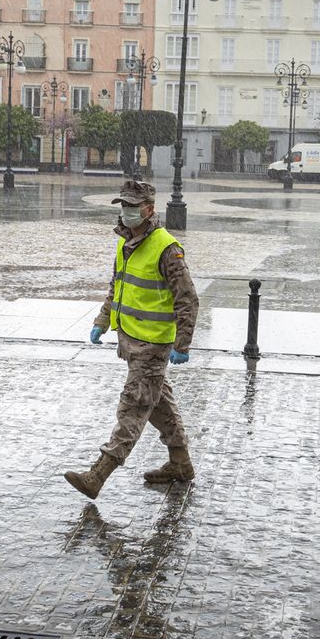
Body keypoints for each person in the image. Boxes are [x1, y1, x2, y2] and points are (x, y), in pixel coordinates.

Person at [64, 179, 199, 499]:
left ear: (149, 209)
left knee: (134, 406)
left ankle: (98, 475)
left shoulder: (167, 248)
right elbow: (118, 287)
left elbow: (188, 299)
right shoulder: (125, 242)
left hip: (153, 346)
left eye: (132, 207)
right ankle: (180, 463)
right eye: (122, 206)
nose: (126, 212)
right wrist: (102, 320)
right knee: (158, 404)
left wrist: (182, 343)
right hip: (131, 341)